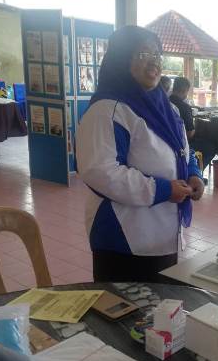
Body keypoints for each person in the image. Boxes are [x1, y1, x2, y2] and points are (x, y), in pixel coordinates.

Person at [76, 26, 204, 283]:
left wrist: (193, 173)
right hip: (122, 237)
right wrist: (163, 190)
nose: (153, 62)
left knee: (160, 303)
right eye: (143, 54)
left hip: (163, 232)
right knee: (124, 305)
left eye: (157, 54)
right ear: (121, 58)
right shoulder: (107, 110)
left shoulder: (167, 108)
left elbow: (181, 149)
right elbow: (101, 172)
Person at [170, 77, 217, 171]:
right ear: (185, 91)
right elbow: (190, 134)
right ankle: (195, 171)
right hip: (181, 144)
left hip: (167, 141)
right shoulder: (184, 107)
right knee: (211, 146)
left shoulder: (164, 102)